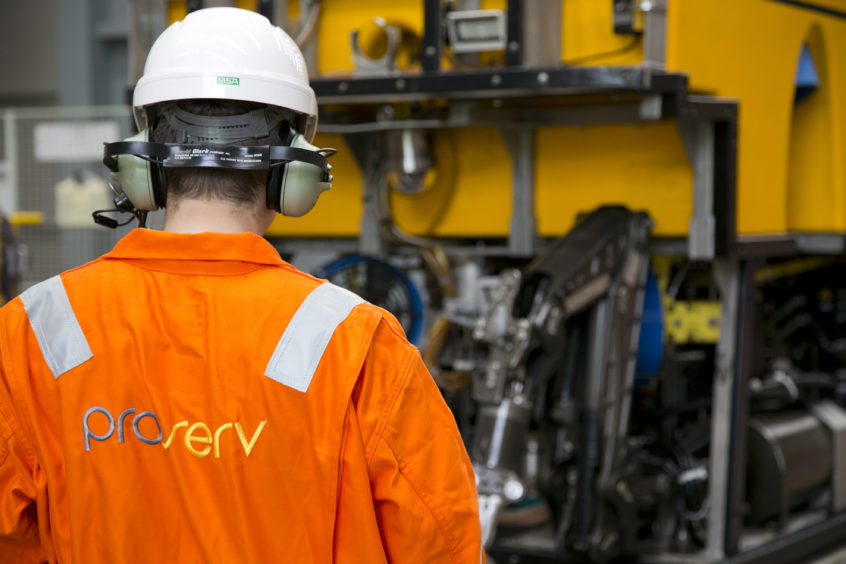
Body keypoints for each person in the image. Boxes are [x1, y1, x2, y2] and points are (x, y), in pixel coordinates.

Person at [0, 7, 483, 563]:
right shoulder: (359, 347)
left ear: (145, 159)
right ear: (293, 169)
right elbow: (441, 543)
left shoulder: (32, 334)